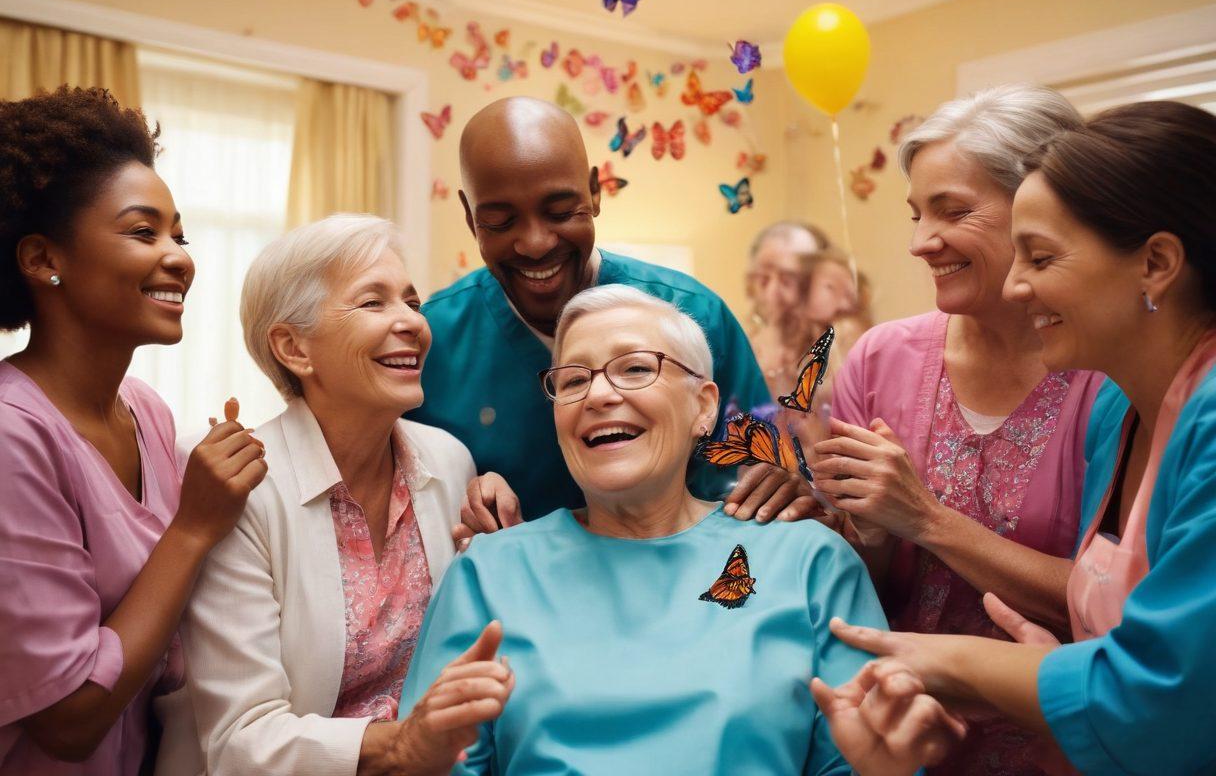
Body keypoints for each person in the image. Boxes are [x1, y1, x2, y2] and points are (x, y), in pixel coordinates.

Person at [398, 285, 962, 775]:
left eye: (635, 368)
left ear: (704, 407)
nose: (598, 395)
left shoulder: (810, 563)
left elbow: (870, 757)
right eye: (573, 380)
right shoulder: (489, 573)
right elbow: (430, 762)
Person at [827, 100, 1216, 776]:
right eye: (917, 215)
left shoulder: (1145, 399)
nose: (1016, 285)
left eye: (1039, 255)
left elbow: (1165, 692)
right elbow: (1119, 624)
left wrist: (964, 663)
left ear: (1156, 263)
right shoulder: (1127, 411)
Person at [810, 85, 1104, 775]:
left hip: (1064, 748)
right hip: (891, 744)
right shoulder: (879, 359)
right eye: (917, 214)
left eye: (954, 210)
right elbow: (849, 590)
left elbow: (1121, 605)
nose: (920, 243)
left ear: (1042, 208)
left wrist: (924, 518)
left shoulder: (1109, 374)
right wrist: (871, 532)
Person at [160, 216, 511, 775]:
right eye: (373, 302)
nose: (413, 322)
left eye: (411, 302)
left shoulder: (449, 461)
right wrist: (404, 744)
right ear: (294, 348)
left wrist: (499, 550)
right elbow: (241, 741)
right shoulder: (244, 489)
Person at [0, 86, 266, 774]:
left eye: (179, 234)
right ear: (42, 259)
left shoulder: (148, 411)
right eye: (143, 233)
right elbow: (67, 721)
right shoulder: (11, 437)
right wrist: (194, 526)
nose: (179, 257)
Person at [412, 97, 812, 530]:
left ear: (595, 191)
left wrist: (782, 481)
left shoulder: (694, 316)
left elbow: (765, 474)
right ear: (470, 218)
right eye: (500, 222)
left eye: (560, 212)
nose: (535, 243)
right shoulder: (430, 342)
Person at [745, 221, 831, 398]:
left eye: (788, 280)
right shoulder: (743, 352)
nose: (772, 294)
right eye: (763, 279)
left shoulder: (843, 354)